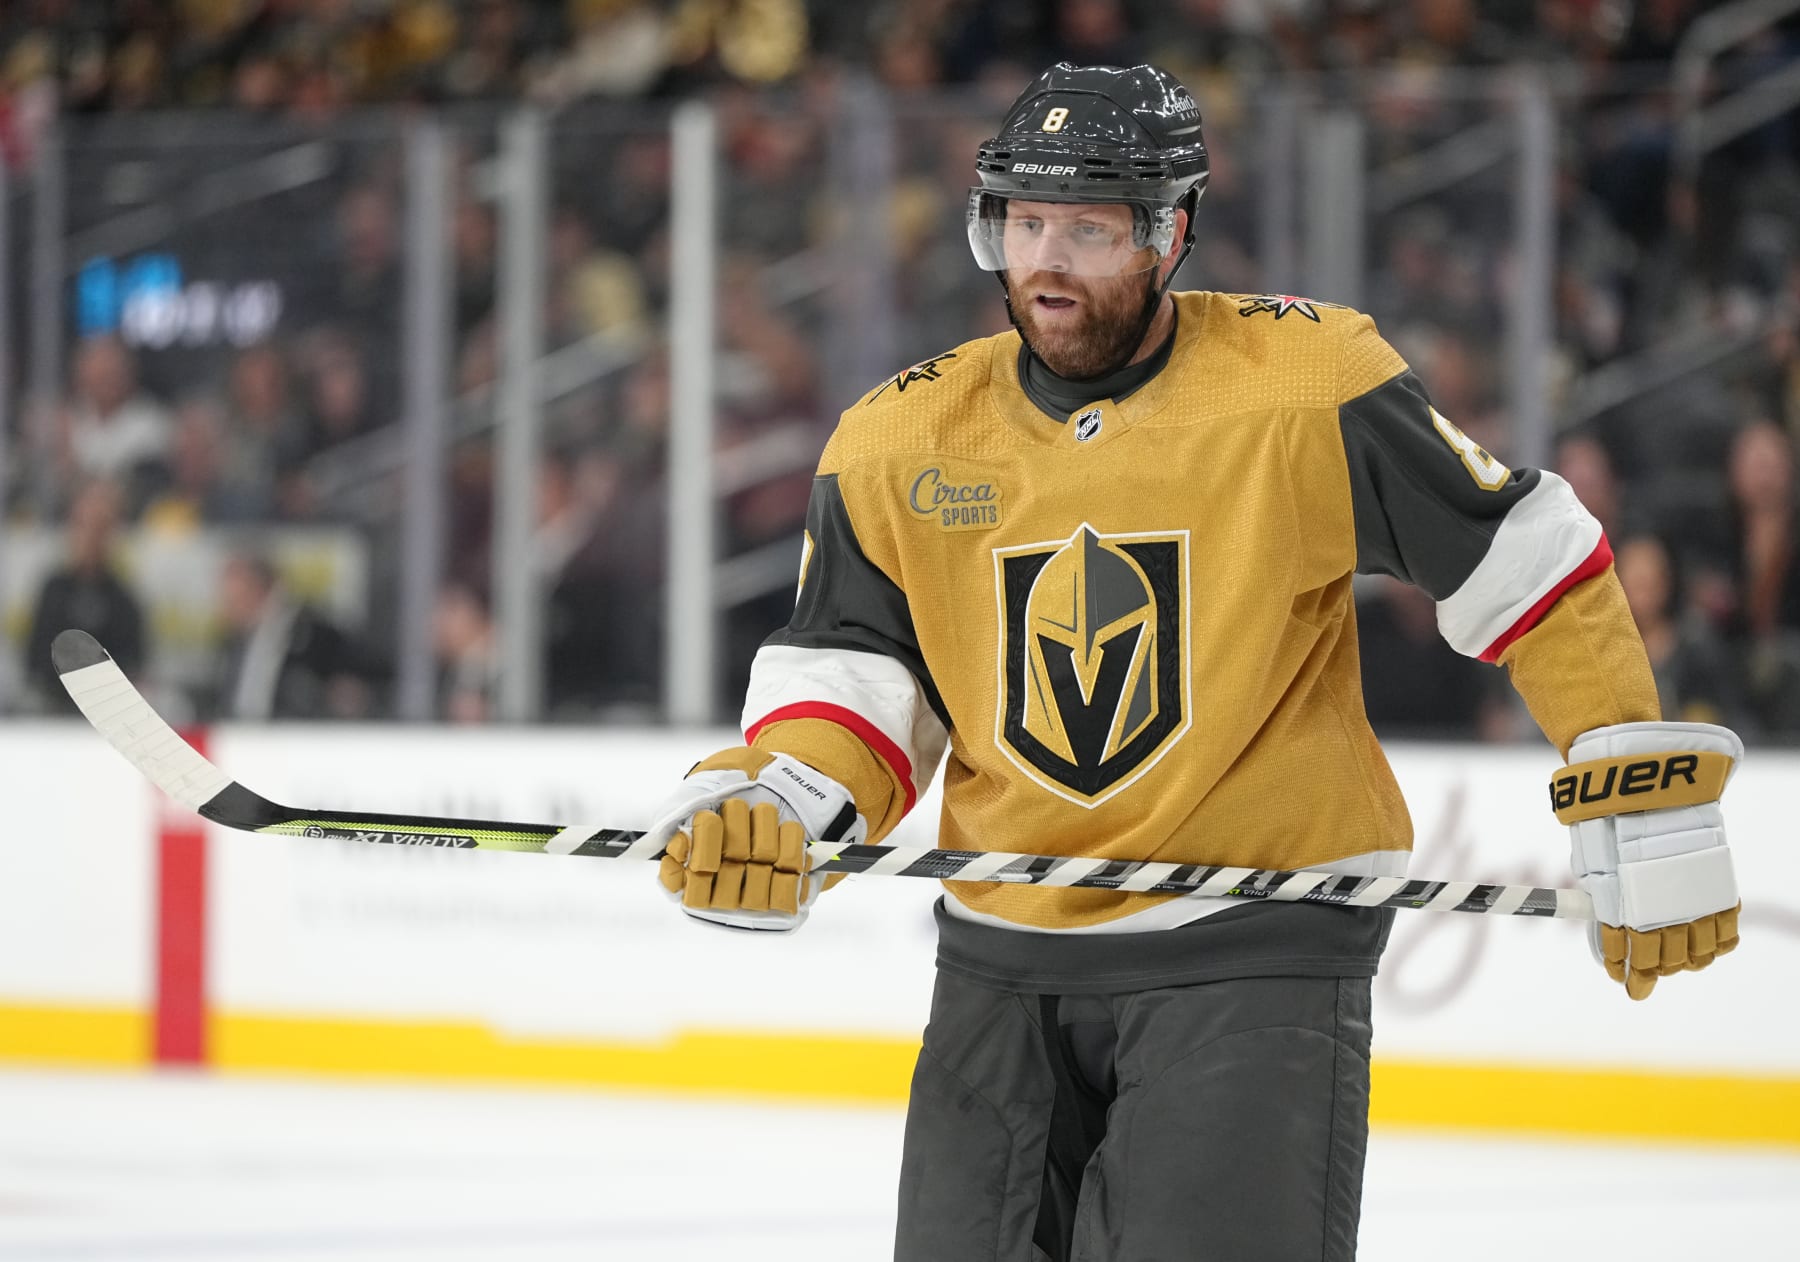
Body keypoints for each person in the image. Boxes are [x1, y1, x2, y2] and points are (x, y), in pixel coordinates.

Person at [642, 63, 1746, 1261]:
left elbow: (1529, 560)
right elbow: (857, 675)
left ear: (1170, 233)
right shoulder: (895, 438)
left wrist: (1632, 781)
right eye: (1024, 222)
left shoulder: (1306, 385)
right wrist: (782, 796)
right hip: (999, 962)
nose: (1047, 262)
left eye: (1089, 229)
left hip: (1252, 954)